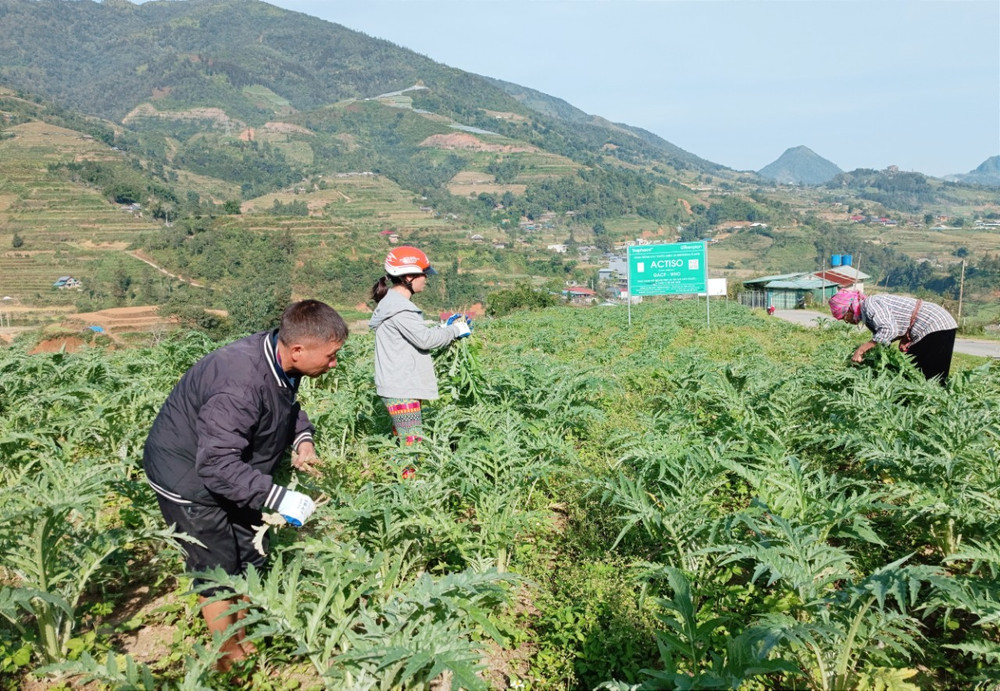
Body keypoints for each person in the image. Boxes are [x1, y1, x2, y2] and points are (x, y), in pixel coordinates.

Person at [143, 299, 348, 672]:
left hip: (233, 472)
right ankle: (230, 662)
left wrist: (302, 438)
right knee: (217, 571)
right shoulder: (239, 384)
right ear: (299, 349)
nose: (334, 364)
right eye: (331, 356)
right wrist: (280, 497)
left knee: (250, 555)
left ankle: (248, 637)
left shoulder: (277, 355)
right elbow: (216, 466)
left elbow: (285, 404)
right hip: (189, 479)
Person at [369, 246, 471, 455]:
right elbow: (425, 340)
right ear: (408, 276)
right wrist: (455, 330)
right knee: (412, 446)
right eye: (423, 273)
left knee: (404, 442)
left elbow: (417, 335)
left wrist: (443, 329)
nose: (426, 278)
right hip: (401, 388)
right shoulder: (400, 309)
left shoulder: (393, 304)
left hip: (399, 385)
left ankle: (400, 479)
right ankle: (410, 484)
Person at [828, 289, 958, 383]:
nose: (847, 321)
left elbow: (888, 330)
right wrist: (903, 337)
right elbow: (891, 330)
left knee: (925, 378)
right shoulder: (866, 310)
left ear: (850, 308)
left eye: (844, 316)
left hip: (935, 324)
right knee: (919, 376)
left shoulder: (869, 305)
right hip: (936, 324)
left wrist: (861, 350)